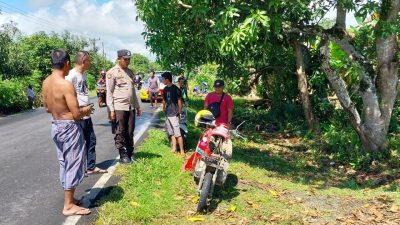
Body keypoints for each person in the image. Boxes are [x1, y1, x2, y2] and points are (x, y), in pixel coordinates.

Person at [42, 49, 93, 216]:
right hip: (69, 127)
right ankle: (69, 205)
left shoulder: (46, 82)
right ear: (67, 64)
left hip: (56, 125)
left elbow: (48, 107)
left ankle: (70, 200)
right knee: (74, 163)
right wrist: (86, 110)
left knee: (64, 162)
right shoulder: (65, 84)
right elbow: (77, 114)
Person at [66, 51, 107, 175]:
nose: (90, 63)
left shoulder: (83, 74)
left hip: (86, 114)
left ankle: (90, 166)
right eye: (89, 61)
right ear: (83, 61)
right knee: (78, 143)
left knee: (91, 140)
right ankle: (79, 169)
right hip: (78, 115)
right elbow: (67, 96)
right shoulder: (71, 76)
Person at [106, 49, 142, 164]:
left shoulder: (130, 72)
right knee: (120, 131)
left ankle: (131, 152)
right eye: (125, 59)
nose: (128, 61)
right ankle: (123, 154)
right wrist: (111, 110)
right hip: (119, 106)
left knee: (130, 131)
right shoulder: (112, 73)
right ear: (119, 59)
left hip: (130, 107)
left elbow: (133, 91)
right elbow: (109, 93)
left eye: (129, 59)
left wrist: (137, 106)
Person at [162, 72, 185, 157]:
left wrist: (179, 112)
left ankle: (182, 150)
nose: (163, 80)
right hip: (168, 113)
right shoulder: (165, 89)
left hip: (174, 113)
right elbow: (164, 99)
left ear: (167, 79)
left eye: (163, 79)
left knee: (177, 133)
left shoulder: (176, 89)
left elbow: (180, 101)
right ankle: (174, 148)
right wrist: (163, 107)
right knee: (171, 132)